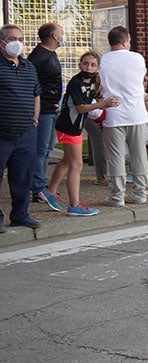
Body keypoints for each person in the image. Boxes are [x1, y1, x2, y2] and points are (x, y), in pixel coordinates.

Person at [46, 51, 114, 216]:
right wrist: (103, 104)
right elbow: (81, 107)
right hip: (68, 126)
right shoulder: (76, 82)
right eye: (85, 63)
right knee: (77, 164)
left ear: (98, 68)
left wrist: (102, 105)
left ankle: (50, 191)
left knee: (67, 161)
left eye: (92, 65)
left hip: (74, 126)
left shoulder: (93, 82)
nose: (88, 67)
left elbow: (94, 101)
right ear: (80, 64)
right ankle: (74, 205)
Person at [0, 24, 43, 230]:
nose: (17, 43)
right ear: (2, 42)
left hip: (26, 133)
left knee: (22, 177)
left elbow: (36, 94)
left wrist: (34, 121)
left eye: (21, 39)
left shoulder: (28, 67)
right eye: (12, 39)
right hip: (2, 133)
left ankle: (20, 215)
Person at [103, 25, 148, 206]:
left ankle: (117, 195)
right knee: (139, 155)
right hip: (137, 113)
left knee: (115, 156)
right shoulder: (137, 58)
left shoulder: (104, 60)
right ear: (125, 41)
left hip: (113, 113)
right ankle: (140, 193)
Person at [28, 22, 64, 208]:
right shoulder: (39, 56)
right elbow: (32, 84)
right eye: (61, 33)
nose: (63, 35)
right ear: (54, 37)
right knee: (41, 149)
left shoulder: (49, 54)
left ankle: (38, 185)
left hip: (51, 108)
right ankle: (38, 187)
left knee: (48, 147)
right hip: (43, 110)